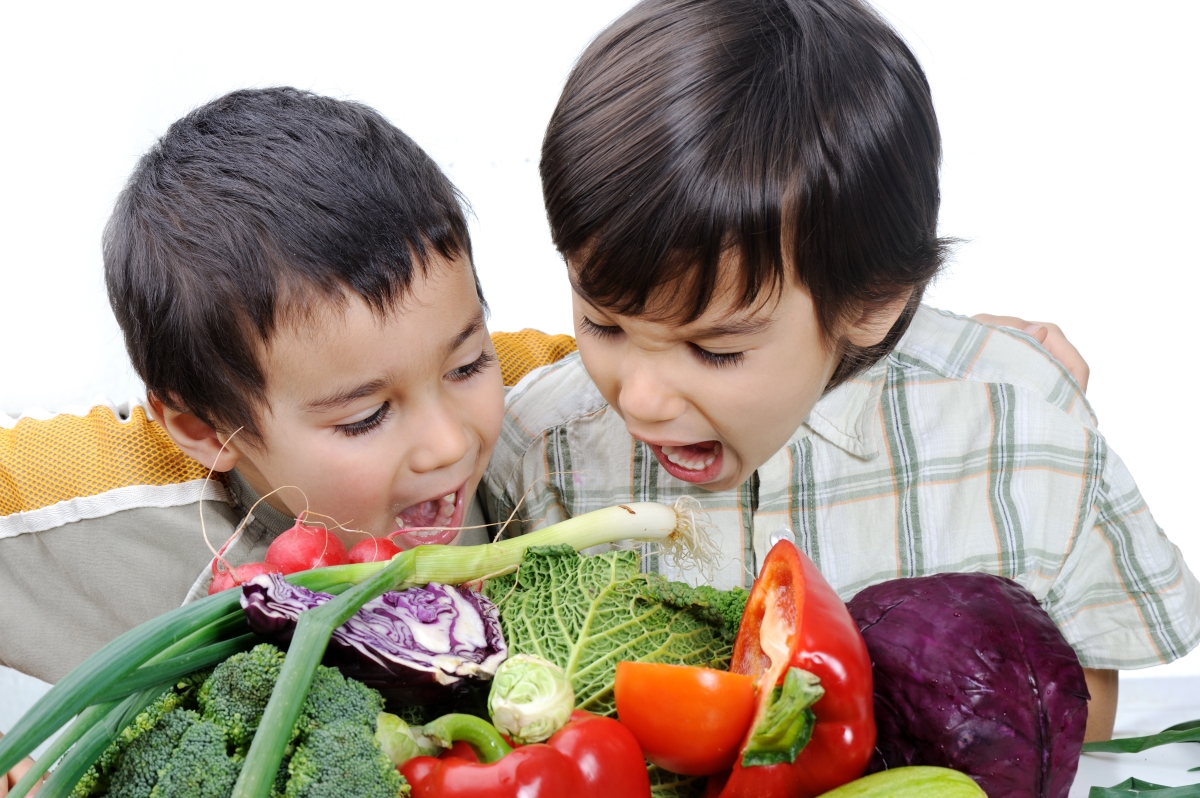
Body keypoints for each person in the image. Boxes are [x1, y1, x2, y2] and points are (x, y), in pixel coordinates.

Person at [481, 0, 1200, 742]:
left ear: (871, 305)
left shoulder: (1024, 422)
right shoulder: (540, 446)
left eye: (717, 349)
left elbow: (1089, 704)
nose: (641, 399)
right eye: (603, 322)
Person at [0, 87, 506, 686]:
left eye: (468, 365)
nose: (449, 443)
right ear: (205, 429)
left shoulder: (549, 394)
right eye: (366, 416)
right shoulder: (97, 505)